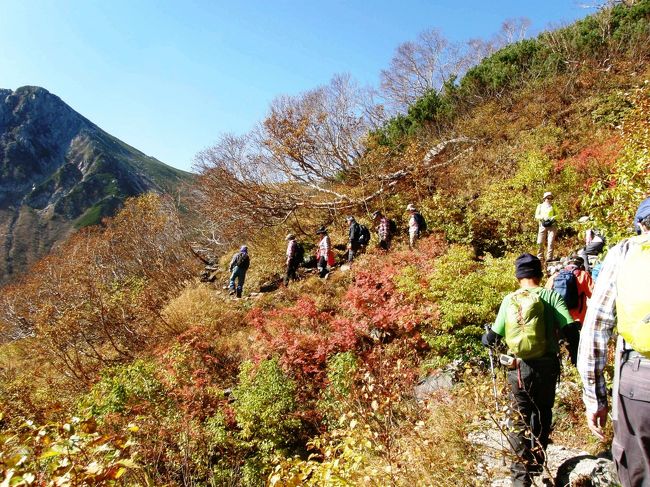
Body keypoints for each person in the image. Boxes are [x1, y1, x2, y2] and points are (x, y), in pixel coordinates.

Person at [482, 253, 579, 487]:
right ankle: (538, 461)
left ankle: (520, 479)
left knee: (518, 420)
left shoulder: (510, 300)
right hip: (547, 365)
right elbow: (570, 330)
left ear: (518, 276)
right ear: (539, 273)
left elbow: (492, 339)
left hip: (518, 368)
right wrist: (576, 356)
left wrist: (486, 335)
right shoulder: (550, 296)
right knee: (543, 412)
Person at [577, 197, 650, 487]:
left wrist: (594, 398)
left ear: (639, 225)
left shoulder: (625, 252)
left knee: (639, 470)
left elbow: (596, 327)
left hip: (640, 380)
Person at [535, 192, 557, 262]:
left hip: (552, 225)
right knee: (540, 242)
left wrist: (553, 217)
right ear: (544, 199)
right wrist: (543, 218)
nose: (549, 200)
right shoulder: (540, 206)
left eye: (551, 198)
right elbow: (536, 216)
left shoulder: (553, 206)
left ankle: (549, 257)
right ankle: (540, 257)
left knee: (551, 241)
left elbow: (558, 214)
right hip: (542, 225)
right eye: (548, 198)